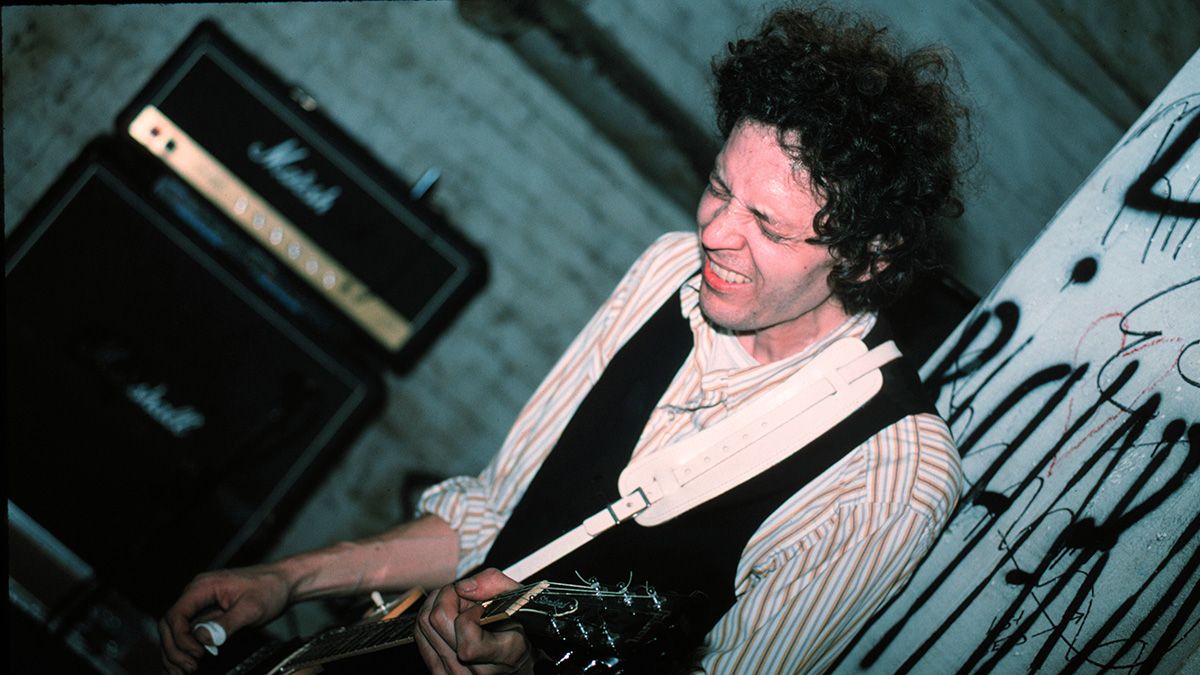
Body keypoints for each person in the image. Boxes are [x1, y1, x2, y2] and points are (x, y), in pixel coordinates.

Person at [160, 3, 971, 673]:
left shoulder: (890, 474)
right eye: (719, 185)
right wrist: (286, 577)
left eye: (767, 224)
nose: (717, 232)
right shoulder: (667, 272)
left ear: (869, 257)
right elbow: (490, 517)